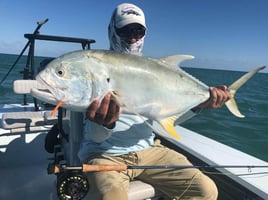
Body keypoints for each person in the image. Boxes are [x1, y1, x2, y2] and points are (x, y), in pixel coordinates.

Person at [79, 3, 231, 200]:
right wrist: (106, 123)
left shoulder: (155, 73)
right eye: (125, 30)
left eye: (138, 31)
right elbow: (96, 138)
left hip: (149, 150)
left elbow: (168, 117)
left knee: (206, 190)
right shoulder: (96, 68)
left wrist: (200, 103)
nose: (133, 37)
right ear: (112, 31)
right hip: (104, 155)